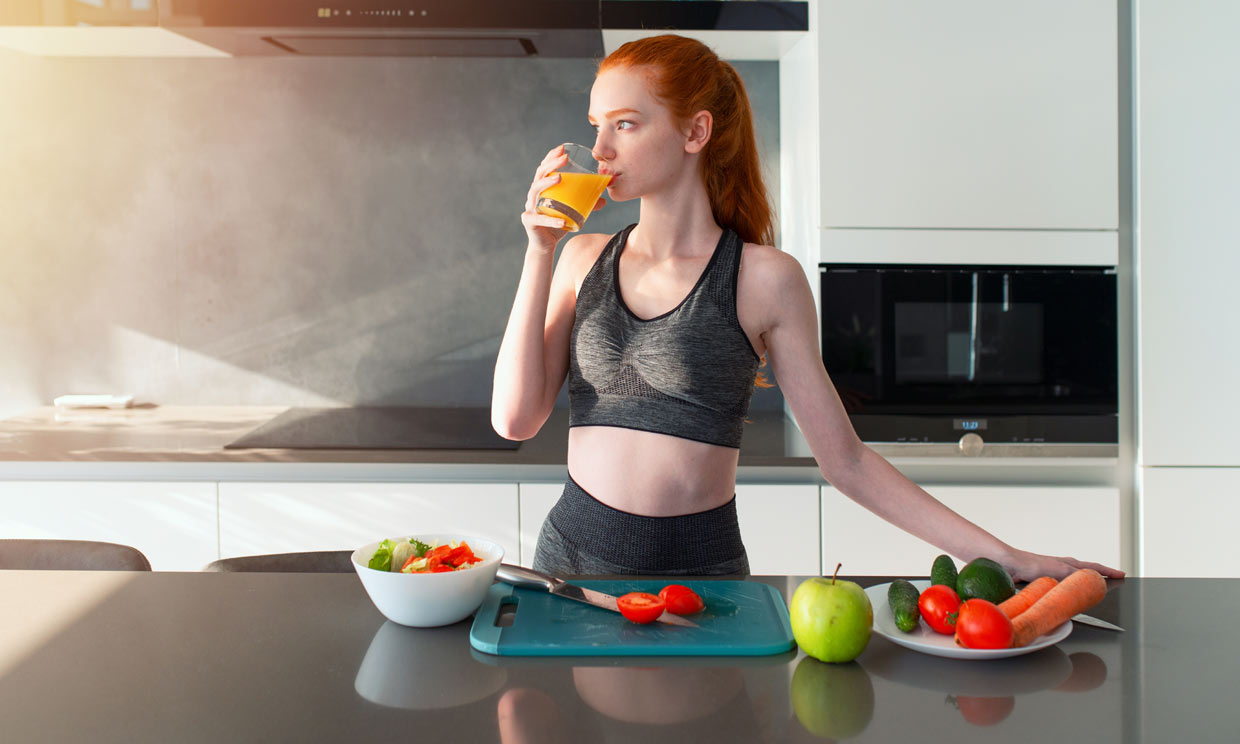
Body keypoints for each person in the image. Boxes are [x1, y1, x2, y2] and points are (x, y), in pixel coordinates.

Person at [491, 34, 1123, 582]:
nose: (599, 148)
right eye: (596, 124)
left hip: (700, 579)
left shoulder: (764, 279)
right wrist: (539, 250)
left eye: (624, 124)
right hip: (566, 565)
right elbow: (515, 421)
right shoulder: (581, 258)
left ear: (694, 131)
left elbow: (845, 462)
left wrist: (1005, 557)